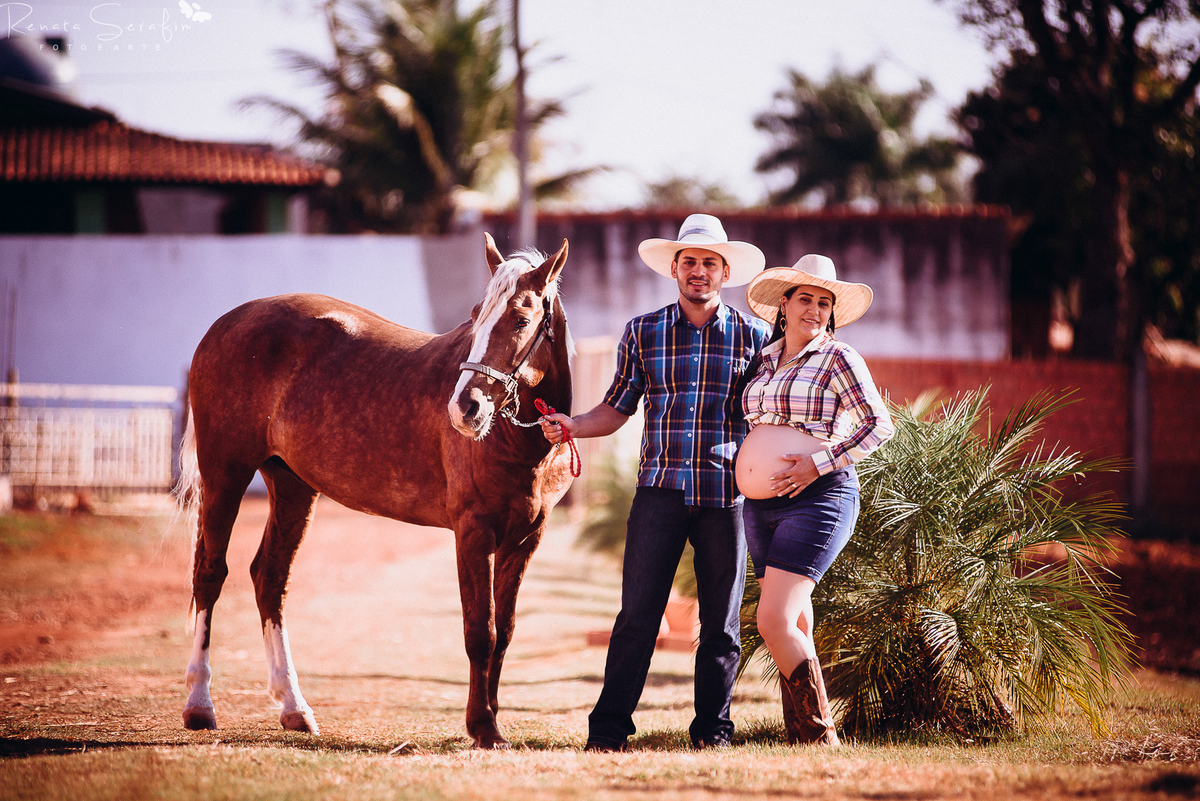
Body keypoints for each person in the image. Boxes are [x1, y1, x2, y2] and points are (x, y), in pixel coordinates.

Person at [539, 213, 771, 751]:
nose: (698, 271)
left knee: (721, 625)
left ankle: (713, 732)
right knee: (637, 617)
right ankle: (608, 730)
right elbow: (616, 408)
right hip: (659, 494)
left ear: (724, 271)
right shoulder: (642, 332)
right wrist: (574, 425)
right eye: (689, 261)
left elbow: (772, 414)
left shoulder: (756, 337)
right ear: (674, 268)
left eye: (709, 263)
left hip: (726, 498)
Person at [735, 254, 894, 746]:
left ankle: (821, 736)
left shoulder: (840, 357)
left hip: (819, 497)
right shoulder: (763, 358)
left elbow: (878, 425)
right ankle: (803, 732)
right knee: (797, 617)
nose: (815, 309)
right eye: (806, 298)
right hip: (762, 507)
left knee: (773, 620)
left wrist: (816, 463)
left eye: (824, 303)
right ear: (784, 304)